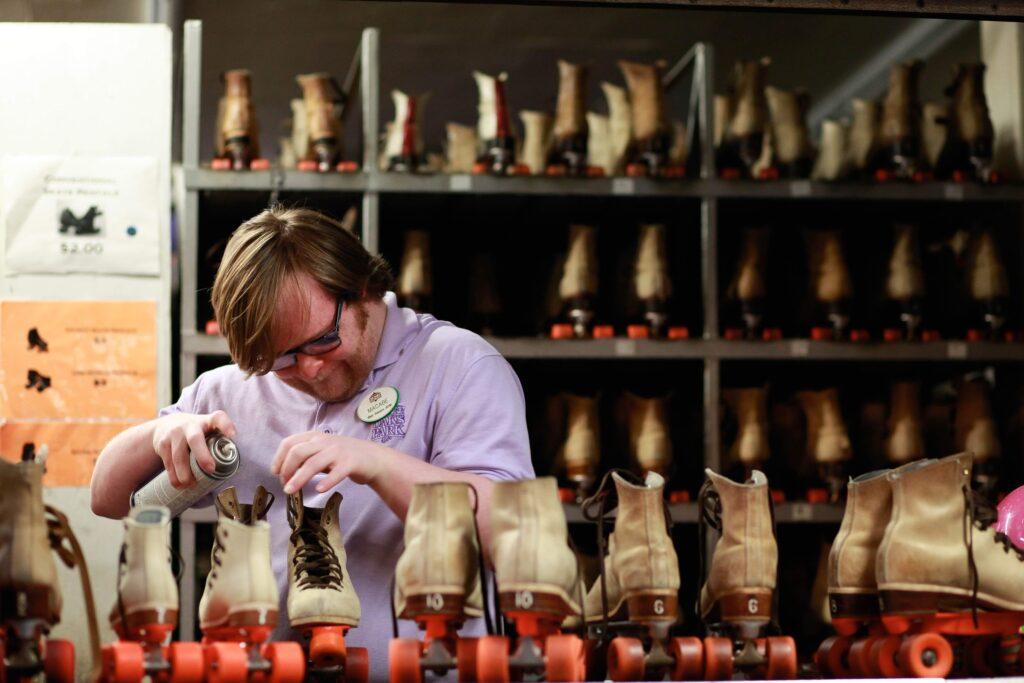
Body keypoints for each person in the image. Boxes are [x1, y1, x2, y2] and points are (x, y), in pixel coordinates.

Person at [90, 206, 534, 679]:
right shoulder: (228, 391)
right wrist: (157, 435)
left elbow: (515, 537)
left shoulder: (459, 367)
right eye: (281, 359)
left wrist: (381, 466)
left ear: (362, 288)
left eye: (321, 341)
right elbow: (107, 499)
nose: (309, 369)